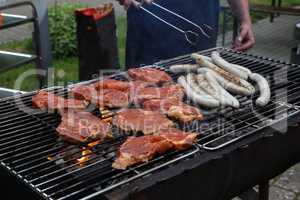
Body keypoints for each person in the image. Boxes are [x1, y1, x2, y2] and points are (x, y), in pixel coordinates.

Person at [118, 0, 255, 68]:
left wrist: (245, 20)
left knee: (200, 94)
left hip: (201, 29)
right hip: (149, 36)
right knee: (143, 102)